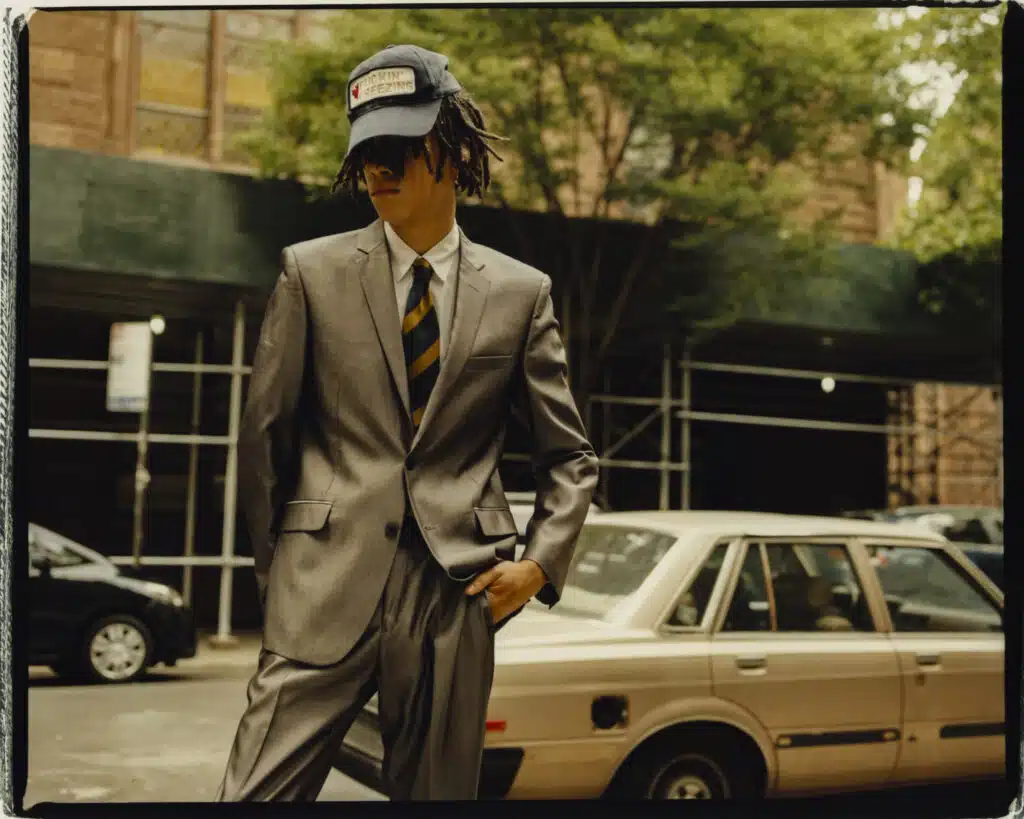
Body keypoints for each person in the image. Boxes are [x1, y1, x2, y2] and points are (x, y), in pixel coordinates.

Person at [216, 44, 599, 802]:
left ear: (453, 149)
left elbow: (570, 457)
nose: (378, 168)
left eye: (399, 147)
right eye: (367, 151)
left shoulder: (522, 293)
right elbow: (264, 442)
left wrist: (539, 564)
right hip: (322, 586)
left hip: (454, 596)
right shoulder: (310, 274)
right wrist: (285, 575)